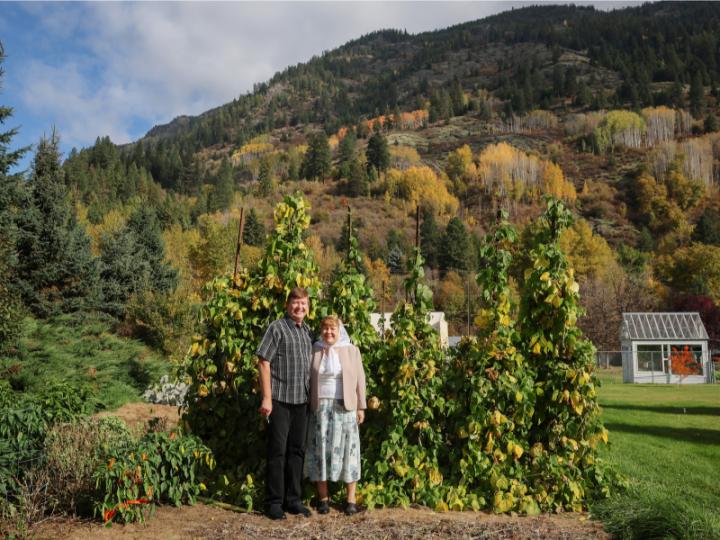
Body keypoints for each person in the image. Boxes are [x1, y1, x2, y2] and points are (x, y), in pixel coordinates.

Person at [257, 287, 314, 520]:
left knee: (297, 451)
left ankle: (293, 500)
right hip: (280, 400)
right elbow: (263, 361)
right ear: (287, 305)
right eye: (295, 303)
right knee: (278, 452)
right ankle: (273, 503)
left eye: (303, 303)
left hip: (302, 401)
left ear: (308, 308)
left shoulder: (308, 332)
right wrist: (267, 397)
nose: (299, 307)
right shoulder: (277, 328)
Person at [305, 315, 367, 515]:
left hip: (345, 408)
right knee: (320, 451)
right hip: (320, 408)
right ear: (321, 331)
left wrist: (361, 407)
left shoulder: (351, 350)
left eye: (333, 329)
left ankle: (350, 499)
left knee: (349, 451)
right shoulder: (314, 349)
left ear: (339, 331)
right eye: (325, 329)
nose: (328, 332)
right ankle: (323, 497)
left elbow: (360, 379)